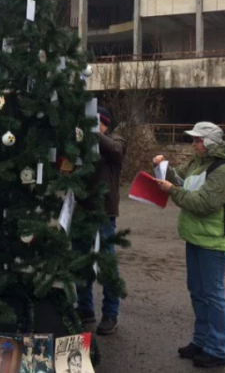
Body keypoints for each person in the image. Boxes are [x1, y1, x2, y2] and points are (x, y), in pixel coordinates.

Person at [153, 122, 225, 369]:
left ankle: (218, 349)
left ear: (210, 142)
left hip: (214, 240)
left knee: (213, 294)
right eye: (193, 140)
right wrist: (162, 168)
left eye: (198, 140)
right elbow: (179, 179)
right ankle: (201, 341)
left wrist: (172, 191)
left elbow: (204, 203)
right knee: (198, 292)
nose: (193, 144)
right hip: (195, 236)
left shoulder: (224, 170)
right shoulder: (196, 162)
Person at [76, 106, 126, 336]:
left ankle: (110, 314)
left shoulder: (117, 140)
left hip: (104, 212)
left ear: (105, 124)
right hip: (82, 210)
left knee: (107, 264)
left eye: (97, 123)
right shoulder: (84, 145)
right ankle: (85, 310)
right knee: (81, 261)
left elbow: (115, 150)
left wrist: (92, 131)